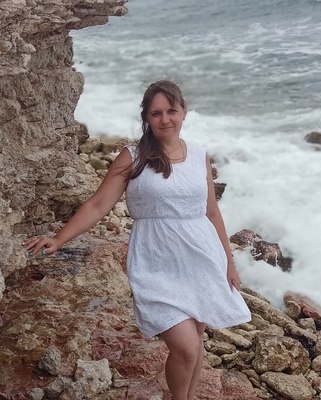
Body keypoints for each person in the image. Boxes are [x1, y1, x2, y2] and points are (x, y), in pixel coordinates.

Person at [24, 80, 251, 400]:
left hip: (201, 257)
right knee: (185, 346)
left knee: (196, 339)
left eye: (171, 111)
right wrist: (59, 239)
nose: (165, 119)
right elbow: (98, 204)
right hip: (155, 260)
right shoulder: (133, 156)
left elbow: (212, 212)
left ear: (184, 111)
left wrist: (229, 263)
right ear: (146, 117)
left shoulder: (199, 155)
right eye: (156, 113)